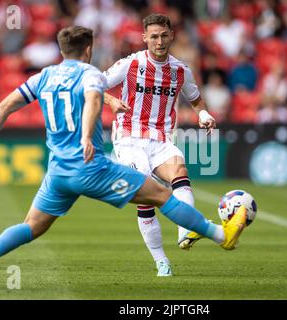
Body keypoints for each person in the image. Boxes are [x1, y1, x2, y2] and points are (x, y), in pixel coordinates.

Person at [0, 26, 247, 289]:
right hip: (90, 167)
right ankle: (222, 235)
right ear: (88, 49)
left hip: (57, 173)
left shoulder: (44, 76)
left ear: (61, 49)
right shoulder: (89, 73)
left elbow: (3, 107)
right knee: (160, 194)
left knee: (31, 226)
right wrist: (85, 136)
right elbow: (93, 99)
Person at [102, 13, 217, 277]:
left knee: (180, 173)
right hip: (129, 139)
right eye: (154, 36)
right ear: (144, 38)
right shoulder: (130, 64)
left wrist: (203, 114)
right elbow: (95, 85)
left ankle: (185, 231)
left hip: (162, 139)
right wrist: (111, 102)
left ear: (172, 36)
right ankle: (161, 261)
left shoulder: (180, 70)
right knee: (147, 195)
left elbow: (196, 100)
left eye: (164, 35)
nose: (160, 41)